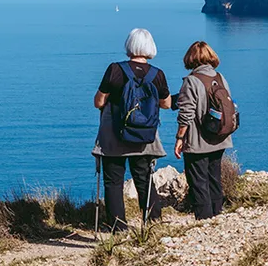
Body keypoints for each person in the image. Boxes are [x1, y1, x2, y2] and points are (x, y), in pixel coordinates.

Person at [92, 28, 171, 230]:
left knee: (113, 182)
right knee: (145, 179)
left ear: (129, 46)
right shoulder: (157, 74)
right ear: (150, 47)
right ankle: (153, 224)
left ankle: (118, 228)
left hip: (114, 136)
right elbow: (166, 103)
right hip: (144, 136)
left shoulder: (115, 69)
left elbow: (99, 102)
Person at [173, 41, 233, 220]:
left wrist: (179, 138)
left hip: (199, 142)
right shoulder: (220, 77)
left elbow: (186, 114)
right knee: (214, 179)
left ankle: (204, 221)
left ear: (190, 59)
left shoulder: (191, 81)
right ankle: (217, 216)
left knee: (198, 182)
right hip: (220, 138)